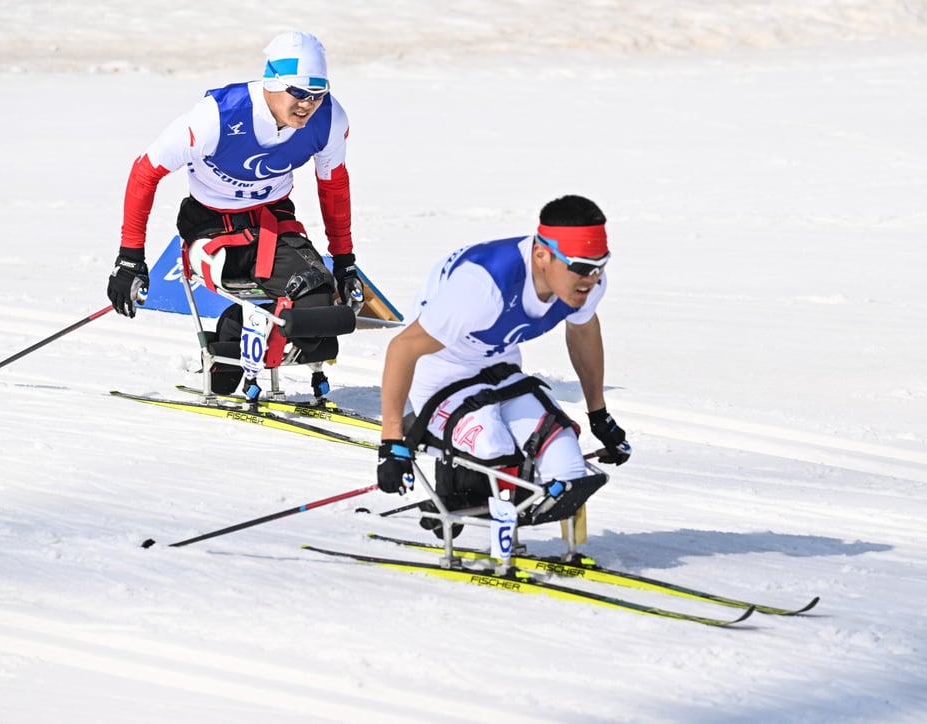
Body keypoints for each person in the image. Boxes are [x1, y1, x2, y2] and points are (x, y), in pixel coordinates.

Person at [106, 31, 363, 398]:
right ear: (273, 83)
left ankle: (232, 336)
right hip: (211, 222)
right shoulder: (217, 116)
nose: (308, 105)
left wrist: (344, 260)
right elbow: (145, 172)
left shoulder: (330, 119)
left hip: (271, 219)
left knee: (320, 302)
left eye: (317, 94)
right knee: (286, 301)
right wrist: (130, 258)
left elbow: (334, 187)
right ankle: (233, 346)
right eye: (299, 93)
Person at [376, 195, 631, 532]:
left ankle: (551, 538)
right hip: (440, 371)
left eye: (601, 265)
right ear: (542, 254)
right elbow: (403, 348)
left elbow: (583, 335)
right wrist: (391, 443)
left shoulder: (586, 284)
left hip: (500, 366)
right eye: (581, 267)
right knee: (494, 446)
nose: (592, 278)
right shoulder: (484, 286)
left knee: (568, 466)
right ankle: (459, 494)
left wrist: (599, 415)